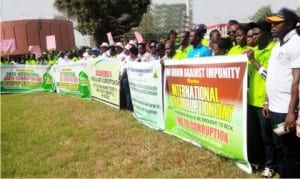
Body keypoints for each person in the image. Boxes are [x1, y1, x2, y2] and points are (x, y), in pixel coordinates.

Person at [263, 8, 300, 178]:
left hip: (287, 110)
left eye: (278, 23)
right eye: (272, 23)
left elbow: (297, 81)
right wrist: (267, 101)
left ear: (290, 24)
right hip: (275, 108)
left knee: (291, 150)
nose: (273, 26)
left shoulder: (296, 44)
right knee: (281, 146)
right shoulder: (277, 45)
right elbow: (272, 76)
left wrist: (292, 112)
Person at [245, 20, 277, 177]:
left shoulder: (273, 51)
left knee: (268, 138)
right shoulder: (253, 50)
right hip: (251, 101)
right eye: (251, 34)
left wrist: (253, 60)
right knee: (255, 136)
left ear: (266, 34)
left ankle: (270, 165)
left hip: (265, 102)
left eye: (256, 34)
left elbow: (269, 76)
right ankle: (258, 161)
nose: (253, 37)